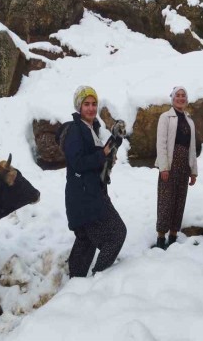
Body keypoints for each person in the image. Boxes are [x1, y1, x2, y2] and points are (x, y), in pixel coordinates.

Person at [63, 86, 127, 277]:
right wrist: (103, 155)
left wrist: (114, 142)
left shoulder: (92, 128)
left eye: (94, 104)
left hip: (90, 193)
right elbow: (77, 162)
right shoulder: (75, 130)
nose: (91, 108)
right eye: (86, 104)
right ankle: (99, 277)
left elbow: (99, 155)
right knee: (117, 234)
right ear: (79, 106)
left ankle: (75, 281)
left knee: (86, 240)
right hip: (85, 198)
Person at [154, 86, 198, 249]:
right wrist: (164, 167)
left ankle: (173, 236)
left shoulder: (190, 121)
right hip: (170, 165)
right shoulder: (165, 117)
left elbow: (192, 148)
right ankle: (160, 238)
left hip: (184, 165)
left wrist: (193, 171)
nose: (180, 98)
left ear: (186, 100)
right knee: (166, 201)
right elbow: (161, 143)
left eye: (183, 96)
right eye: (177, 96)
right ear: (173, 99)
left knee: (179, 201)